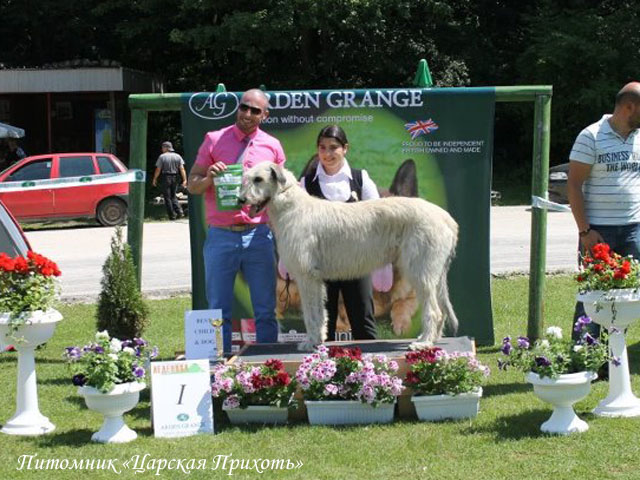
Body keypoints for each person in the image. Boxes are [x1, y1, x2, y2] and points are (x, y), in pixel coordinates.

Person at [188, 89, 285, 353]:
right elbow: (192, 185)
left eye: (256, 110)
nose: (248, 114)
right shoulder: (214, 139)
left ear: (264, 115)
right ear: (238, 108)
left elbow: (283, 191)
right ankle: (219, 366)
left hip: (259, 235)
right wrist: (209, 177)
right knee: (218, 307)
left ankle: (269, 365)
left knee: (265, 307)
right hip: (221, 235)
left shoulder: (272, 145)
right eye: (245, 107)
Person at [568, 82, 640, 340]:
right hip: (599, 231)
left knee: (627, 297)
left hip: (634, 231)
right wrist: (584, 231)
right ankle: (583, 355)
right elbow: (574, 186)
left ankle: (613, 357)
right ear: (629, 107)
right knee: (593, 295)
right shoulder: (591, 136)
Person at [300, 125, 378, 341]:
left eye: (333, 147)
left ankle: (373, 370)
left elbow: (377, 218)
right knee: (324, 321)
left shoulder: (360, 178)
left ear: (345, 149)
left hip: (357, 262)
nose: (327, 153)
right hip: (321, 264)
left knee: (363, 318)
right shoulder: (306, 183)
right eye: (322, 147)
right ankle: (322, 371)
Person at [152, 141, 187, 220]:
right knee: (173, 196)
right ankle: (179, 212)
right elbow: (182, 169)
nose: (162, 149)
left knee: (167, 197)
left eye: (163, 147)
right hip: (176, 177)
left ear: (166, 148)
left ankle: (172, 215)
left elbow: (158, 169)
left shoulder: (162, 157)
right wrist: (185, 180)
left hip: (166, 177)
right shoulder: (178, 156)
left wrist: (155, 178)